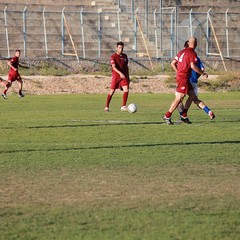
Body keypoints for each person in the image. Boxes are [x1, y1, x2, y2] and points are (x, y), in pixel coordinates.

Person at [163, 37, 208, 125]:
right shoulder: (192, 53)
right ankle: (167, 115)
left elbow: (173, 63)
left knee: (192, 95)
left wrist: (178, 72)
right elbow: (193, 66)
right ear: (195, 44)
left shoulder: (181, 52)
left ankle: (184, 115)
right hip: (183, 77)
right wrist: (202, 73)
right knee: (180, 97)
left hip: (184, 77)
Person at [177, 41, 215, 123]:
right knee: (195, 99)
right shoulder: (196, 57)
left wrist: (178, 72)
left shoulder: (183, 55)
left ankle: (182, 116)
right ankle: (208, 111)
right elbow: (202, 69)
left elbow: (174, 63)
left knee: (178, 100)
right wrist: (197, 76)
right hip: (193, 81)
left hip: (184, 79)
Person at [105, 41, 129, 112]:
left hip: (123, 77)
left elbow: (126, 67)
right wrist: (120, 73)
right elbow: (113, 67)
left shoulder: (125, 56)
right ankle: (106, 106)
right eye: (119, 47)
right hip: (116, 76)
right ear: (117, 48)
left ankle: (123, 106)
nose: (121, 49)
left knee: (126, 89)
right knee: (112, 91)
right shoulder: (113, 56)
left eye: (122, 48)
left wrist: (128, 77)